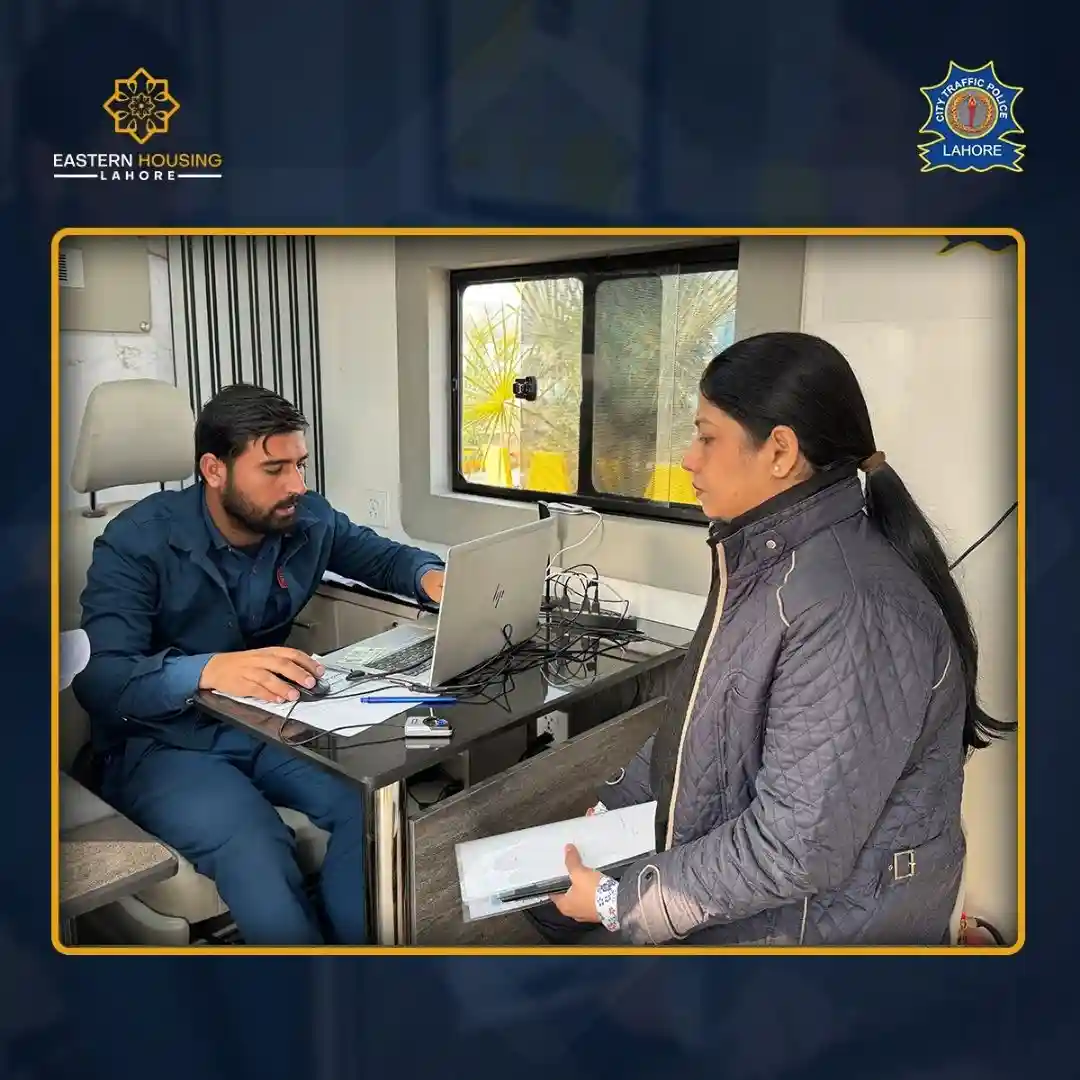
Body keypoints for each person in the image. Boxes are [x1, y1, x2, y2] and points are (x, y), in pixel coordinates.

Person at [529, 331, 1015, 946]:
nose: (689, 459)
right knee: (541, 912)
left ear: (780, 452)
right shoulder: (770, 564)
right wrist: (615, 810)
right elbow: (703, 721)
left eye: (707, 437)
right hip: (772, 907)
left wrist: (614, 900)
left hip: (823, 940)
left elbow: (793, 849)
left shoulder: (848, 607)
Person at [73, 384, 446, 945]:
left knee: (367, 804)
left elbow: (386, 558)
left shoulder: (307, 518)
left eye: (299, 464)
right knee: (255, 843)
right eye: (274, 469)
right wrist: (205, 671)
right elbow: (101, 681)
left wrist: (430, 576)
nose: (296, 485)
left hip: (266, 722)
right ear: (213, 470)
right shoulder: (135, 541)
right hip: (159, 742)